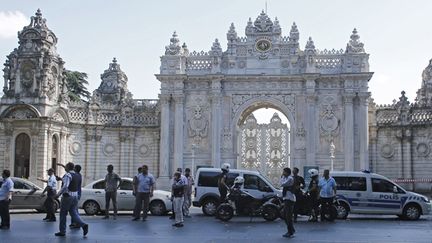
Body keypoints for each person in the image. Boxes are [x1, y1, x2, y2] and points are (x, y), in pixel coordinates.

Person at [54, 162, 88, 237]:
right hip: (75, 196)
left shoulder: (68, 175)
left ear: (68, 167)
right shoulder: (77, 175)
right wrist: (61, 179)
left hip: (67, 196)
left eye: (66, 166)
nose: (65, 168)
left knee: (63, 214)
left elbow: (65, 186)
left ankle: (62, 231)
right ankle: (83, 225)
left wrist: (58, 194)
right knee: (73, 213)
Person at [280, 167, 296, 238]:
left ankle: (290, 232)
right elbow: (281, 183)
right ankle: (291, 230)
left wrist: (282, 177)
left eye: (284, 172)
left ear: (287, 172)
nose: (283, 173)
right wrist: (282, 177)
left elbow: (283, 184)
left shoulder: (290, 179)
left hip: (289, 199)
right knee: (284, 215)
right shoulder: (286, 178)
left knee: (288, 216)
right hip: (286, 198)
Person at [69, 164, 82, 229]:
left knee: (74, 210)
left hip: (76, 194)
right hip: (77, 193)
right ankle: (74, 223)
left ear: (75, 169)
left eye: (74, 168)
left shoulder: (76, 175)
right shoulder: (78, 175)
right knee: (73, 209)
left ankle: (78, 223)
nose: (73, 169)